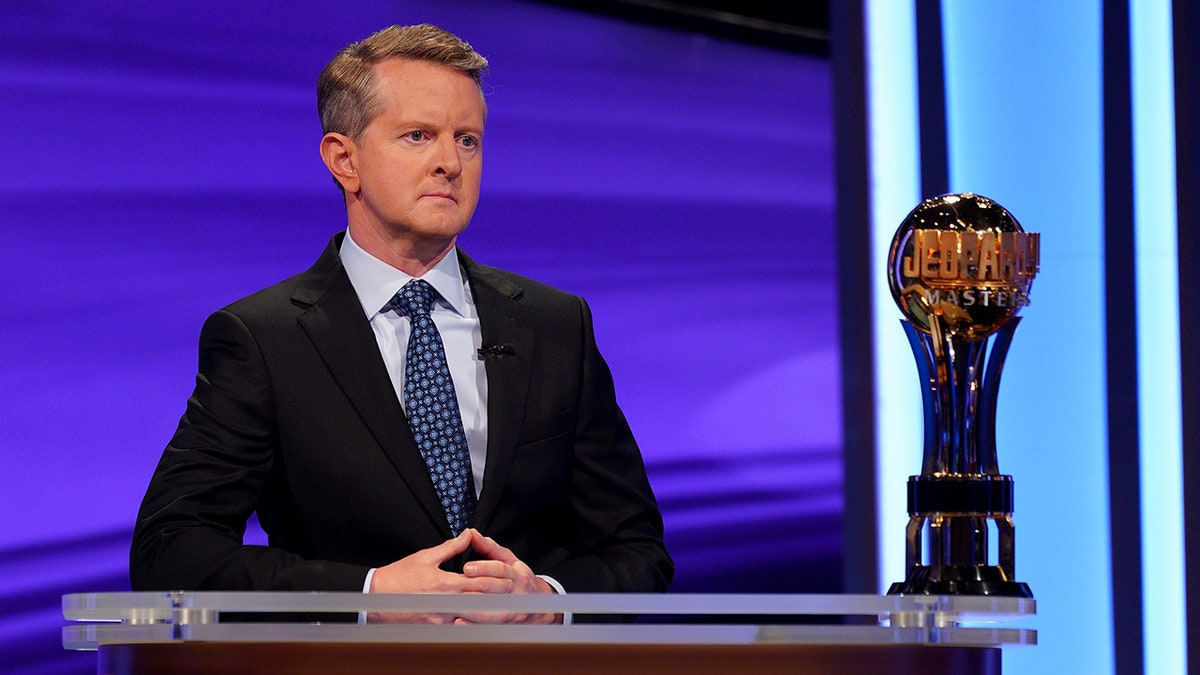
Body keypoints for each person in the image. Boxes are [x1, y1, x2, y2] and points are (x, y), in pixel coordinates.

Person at [129, 23, 672, 623]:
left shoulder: (555, 325)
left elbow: (637, 551)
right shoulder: (264, 339)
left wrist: (546, 599)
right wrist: (367, 595)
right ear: (344, 159)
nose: (449, 163)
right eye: (418, 136)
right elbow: (171, 550)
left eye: (468, 140)